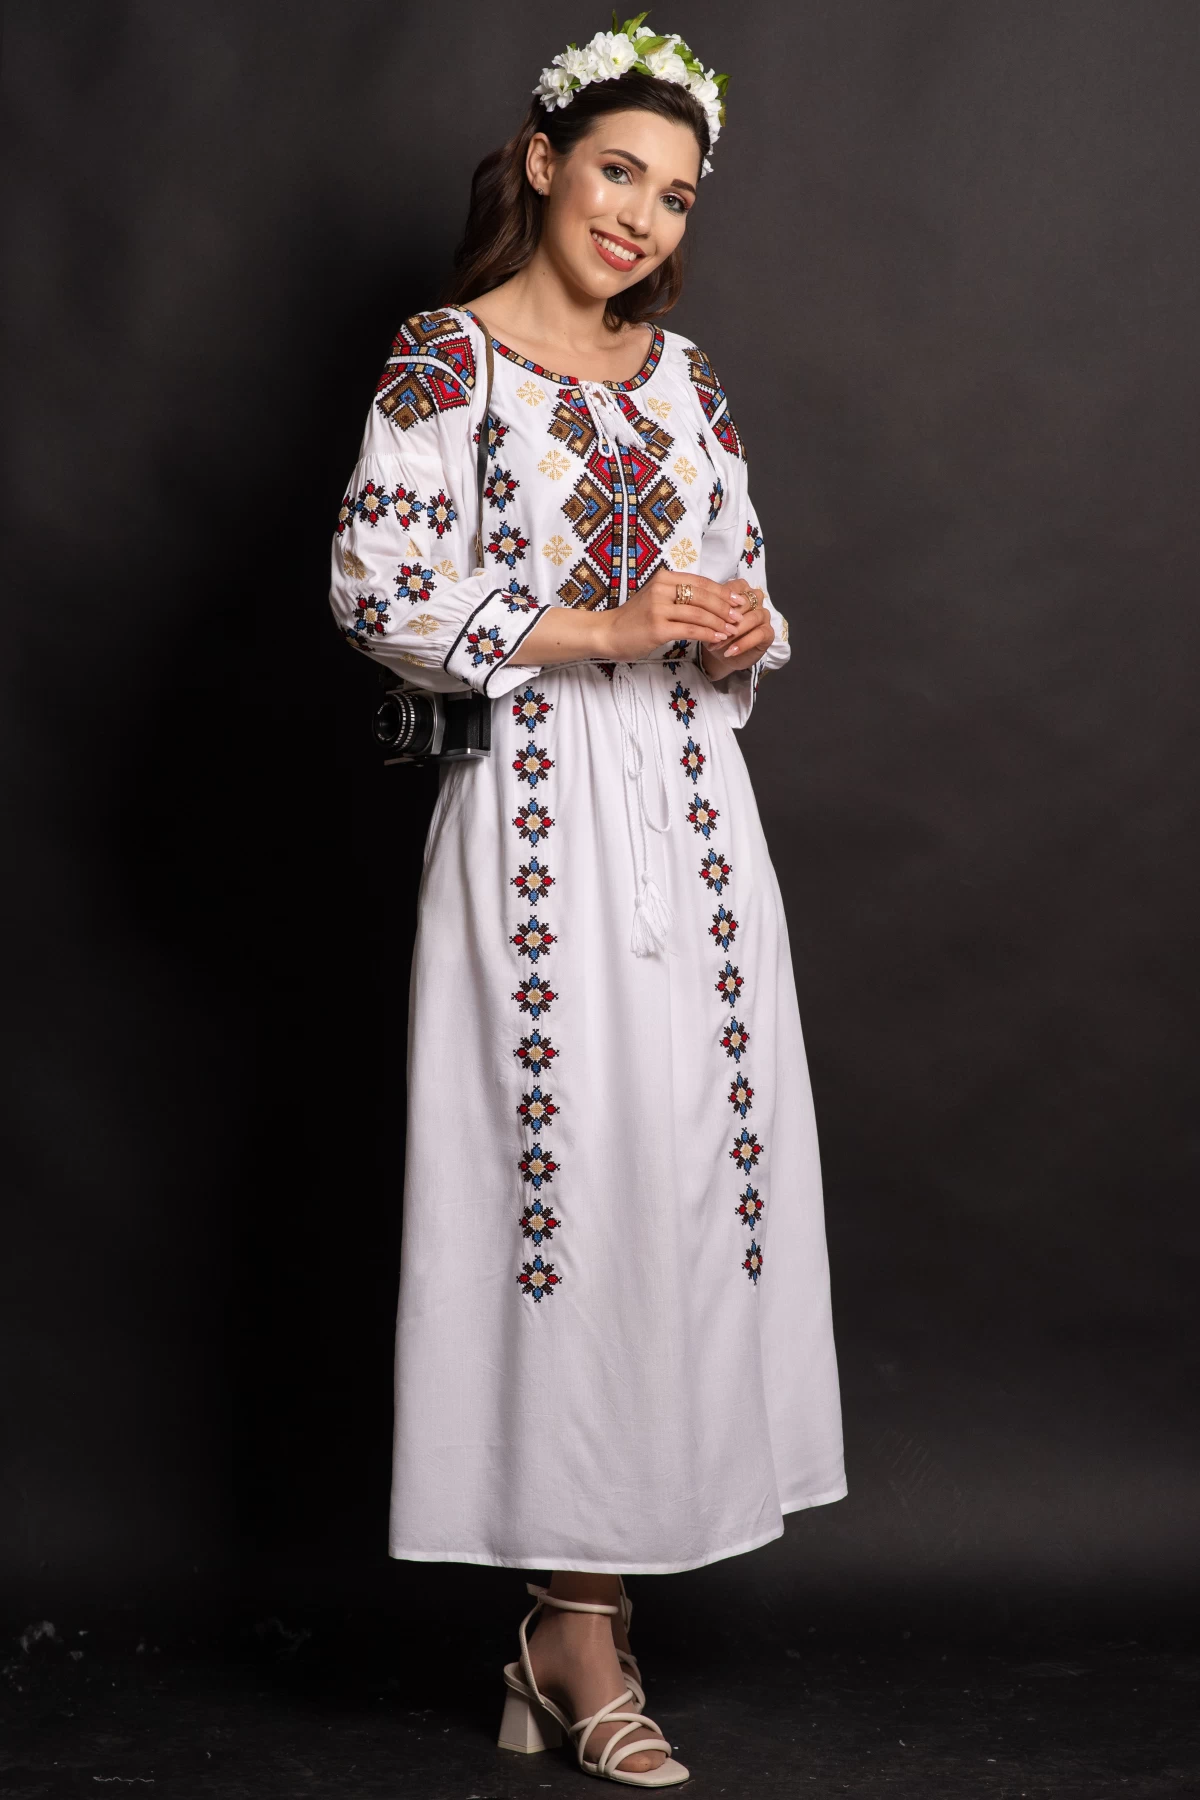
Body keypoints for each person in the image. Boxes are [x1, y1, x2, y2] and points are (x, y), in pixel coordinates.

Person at [329, 18, 846, 1788]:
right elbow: (380, 587)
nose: (642, 215)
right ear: (545, 162)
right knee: (564, 1188)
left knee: (682, 1181)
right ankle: (574, 1630)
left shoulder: (685, 377)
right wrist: (610, 626)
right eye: (620, 170)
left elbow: (740, 570)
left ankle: (577, 1628)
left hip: (693, 824)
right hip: (536, 823)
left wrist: (738, 622)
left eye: (677, 194)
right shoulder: (445, 361)